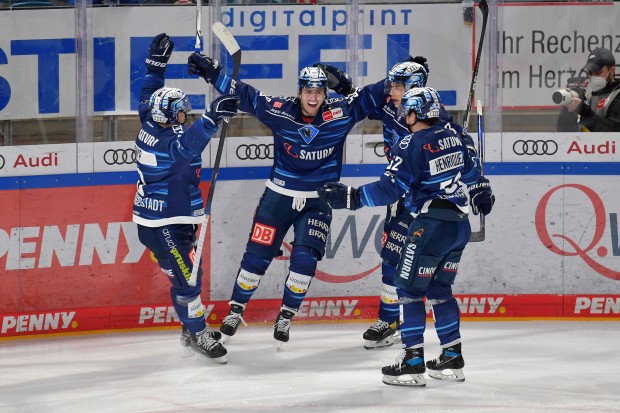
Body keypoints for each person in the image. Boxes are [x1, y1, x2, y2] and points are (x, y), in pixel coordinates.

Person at [185, 52, 388, 348]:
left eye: (319, 91)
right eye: (309, 91)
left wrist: (402, 74)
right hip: (278, 196)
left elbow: (373, 95)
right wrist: (212, 73)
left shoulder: (341, 112)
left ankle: (286, 315)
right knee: (256, 256)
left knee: (305, 260)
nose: (314, 97)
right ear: (300, 91)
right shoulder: (280, 110)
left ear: (325, 94)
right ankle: (236, 310)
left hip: (319, 200)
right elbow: (245, 94)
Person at [317, 87, 495, 387]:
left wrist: (352, 198)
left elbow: (390, 189)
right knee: (440, 290)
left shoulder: (410, 143)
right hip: (459, 225)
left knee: (409, 290)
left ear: (413, 114)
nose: (404, 116)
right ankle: (452, 356)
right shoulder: (452, 135)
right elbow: (470, 170)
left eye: (407, 111)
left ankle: (412, 362)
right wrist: (481, 188)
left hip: (430, 225)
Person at [132, 33, 239, 364]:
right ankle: (198, 332)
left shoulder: (150, 118)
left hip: (173, 218)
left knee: (193, 271)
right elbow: (188, 147)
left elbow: (149, 94)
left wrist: (156, 64)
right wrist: (211, 118)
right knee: (187, 279)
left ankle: (190, 324)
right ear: (172, 115)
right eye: (182, 110)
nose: (186, 114)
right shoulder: (166, 143)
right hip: (164, 222)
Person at [557, 47, 620, 132]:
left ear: (612, 71)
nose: (593, 77)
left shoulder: (617, 95)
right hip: (583, 145)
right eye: (590, 73)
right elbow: (563, 135)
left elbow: (614, 134)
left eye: (598, 73)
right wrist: (568, 109)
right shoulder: (588, 97)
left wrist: (583, 110)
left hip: (605, 145)